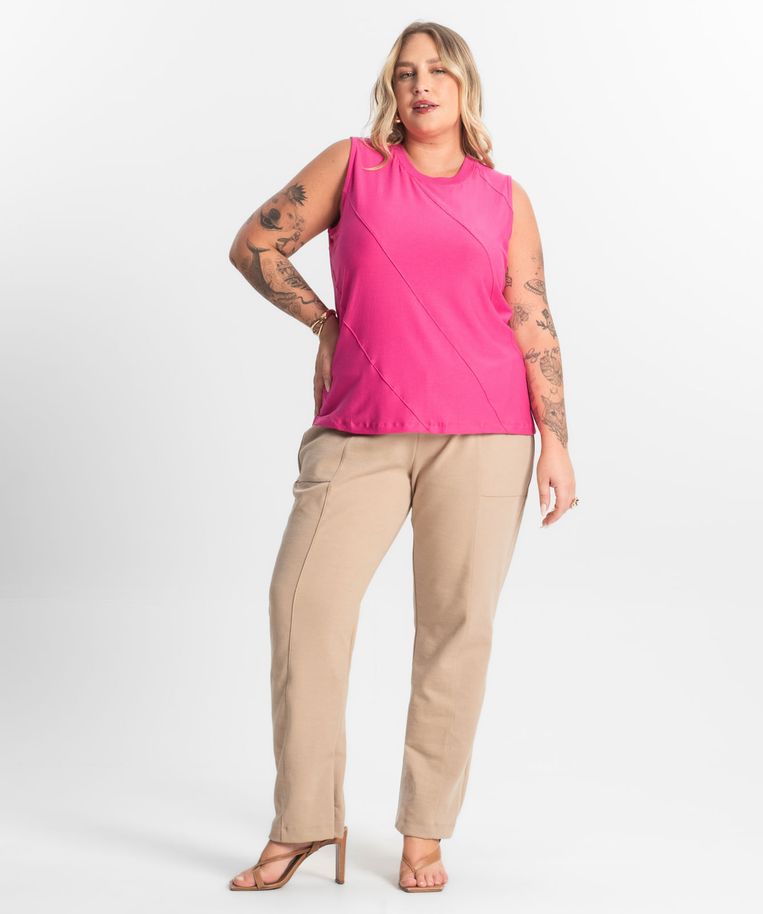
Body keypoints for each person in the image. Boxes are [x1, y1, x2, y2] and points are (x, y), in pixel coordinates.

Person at [226, 19, 578, 894]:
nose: (422, 85)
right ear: (392, 88)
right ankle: (305, 821)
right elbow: (254, 244)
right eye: (406, 73)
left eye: (438, 72)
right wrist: (325, 323)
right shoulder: (355, 167)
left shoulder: (505, 198)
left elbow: (532, 317)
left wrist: (558, 442)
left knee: (456, 628)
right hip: (361, 426)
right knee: (302, 603)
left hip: (487, 432)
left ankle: (425, 833)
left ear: (465, 88)